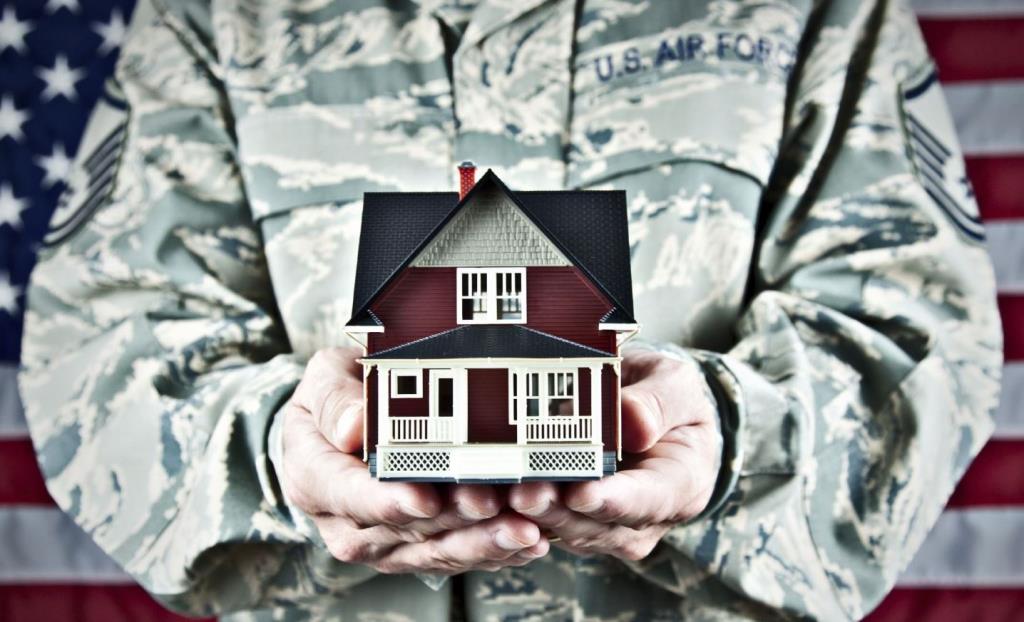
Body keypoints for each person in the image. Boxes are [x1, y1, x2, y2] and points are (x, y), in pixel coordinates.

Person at [17, 0, 1003, 620]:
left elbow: (916, 339)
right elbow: (100, 347)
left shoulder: (815, 13)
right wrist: (275, 453)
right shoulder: (215, 18)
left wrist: (732, 443)